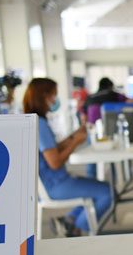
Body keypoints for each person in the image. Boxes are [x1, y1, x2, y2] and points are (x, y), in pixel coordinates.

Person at [23, 78, 112, 237]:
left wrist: (74, 135)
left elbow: (52, 148)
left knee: (94, 188)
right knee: (107, 192)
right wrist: (75, 143)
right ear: (44, 96)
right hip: (55, 185)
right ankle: (77, 227)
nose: (55, 100)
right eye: (53, 95)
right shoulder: (40, 124)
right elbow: (55, 162)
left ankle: (69, 220)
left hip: (51, 183)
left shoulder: (35, 120)